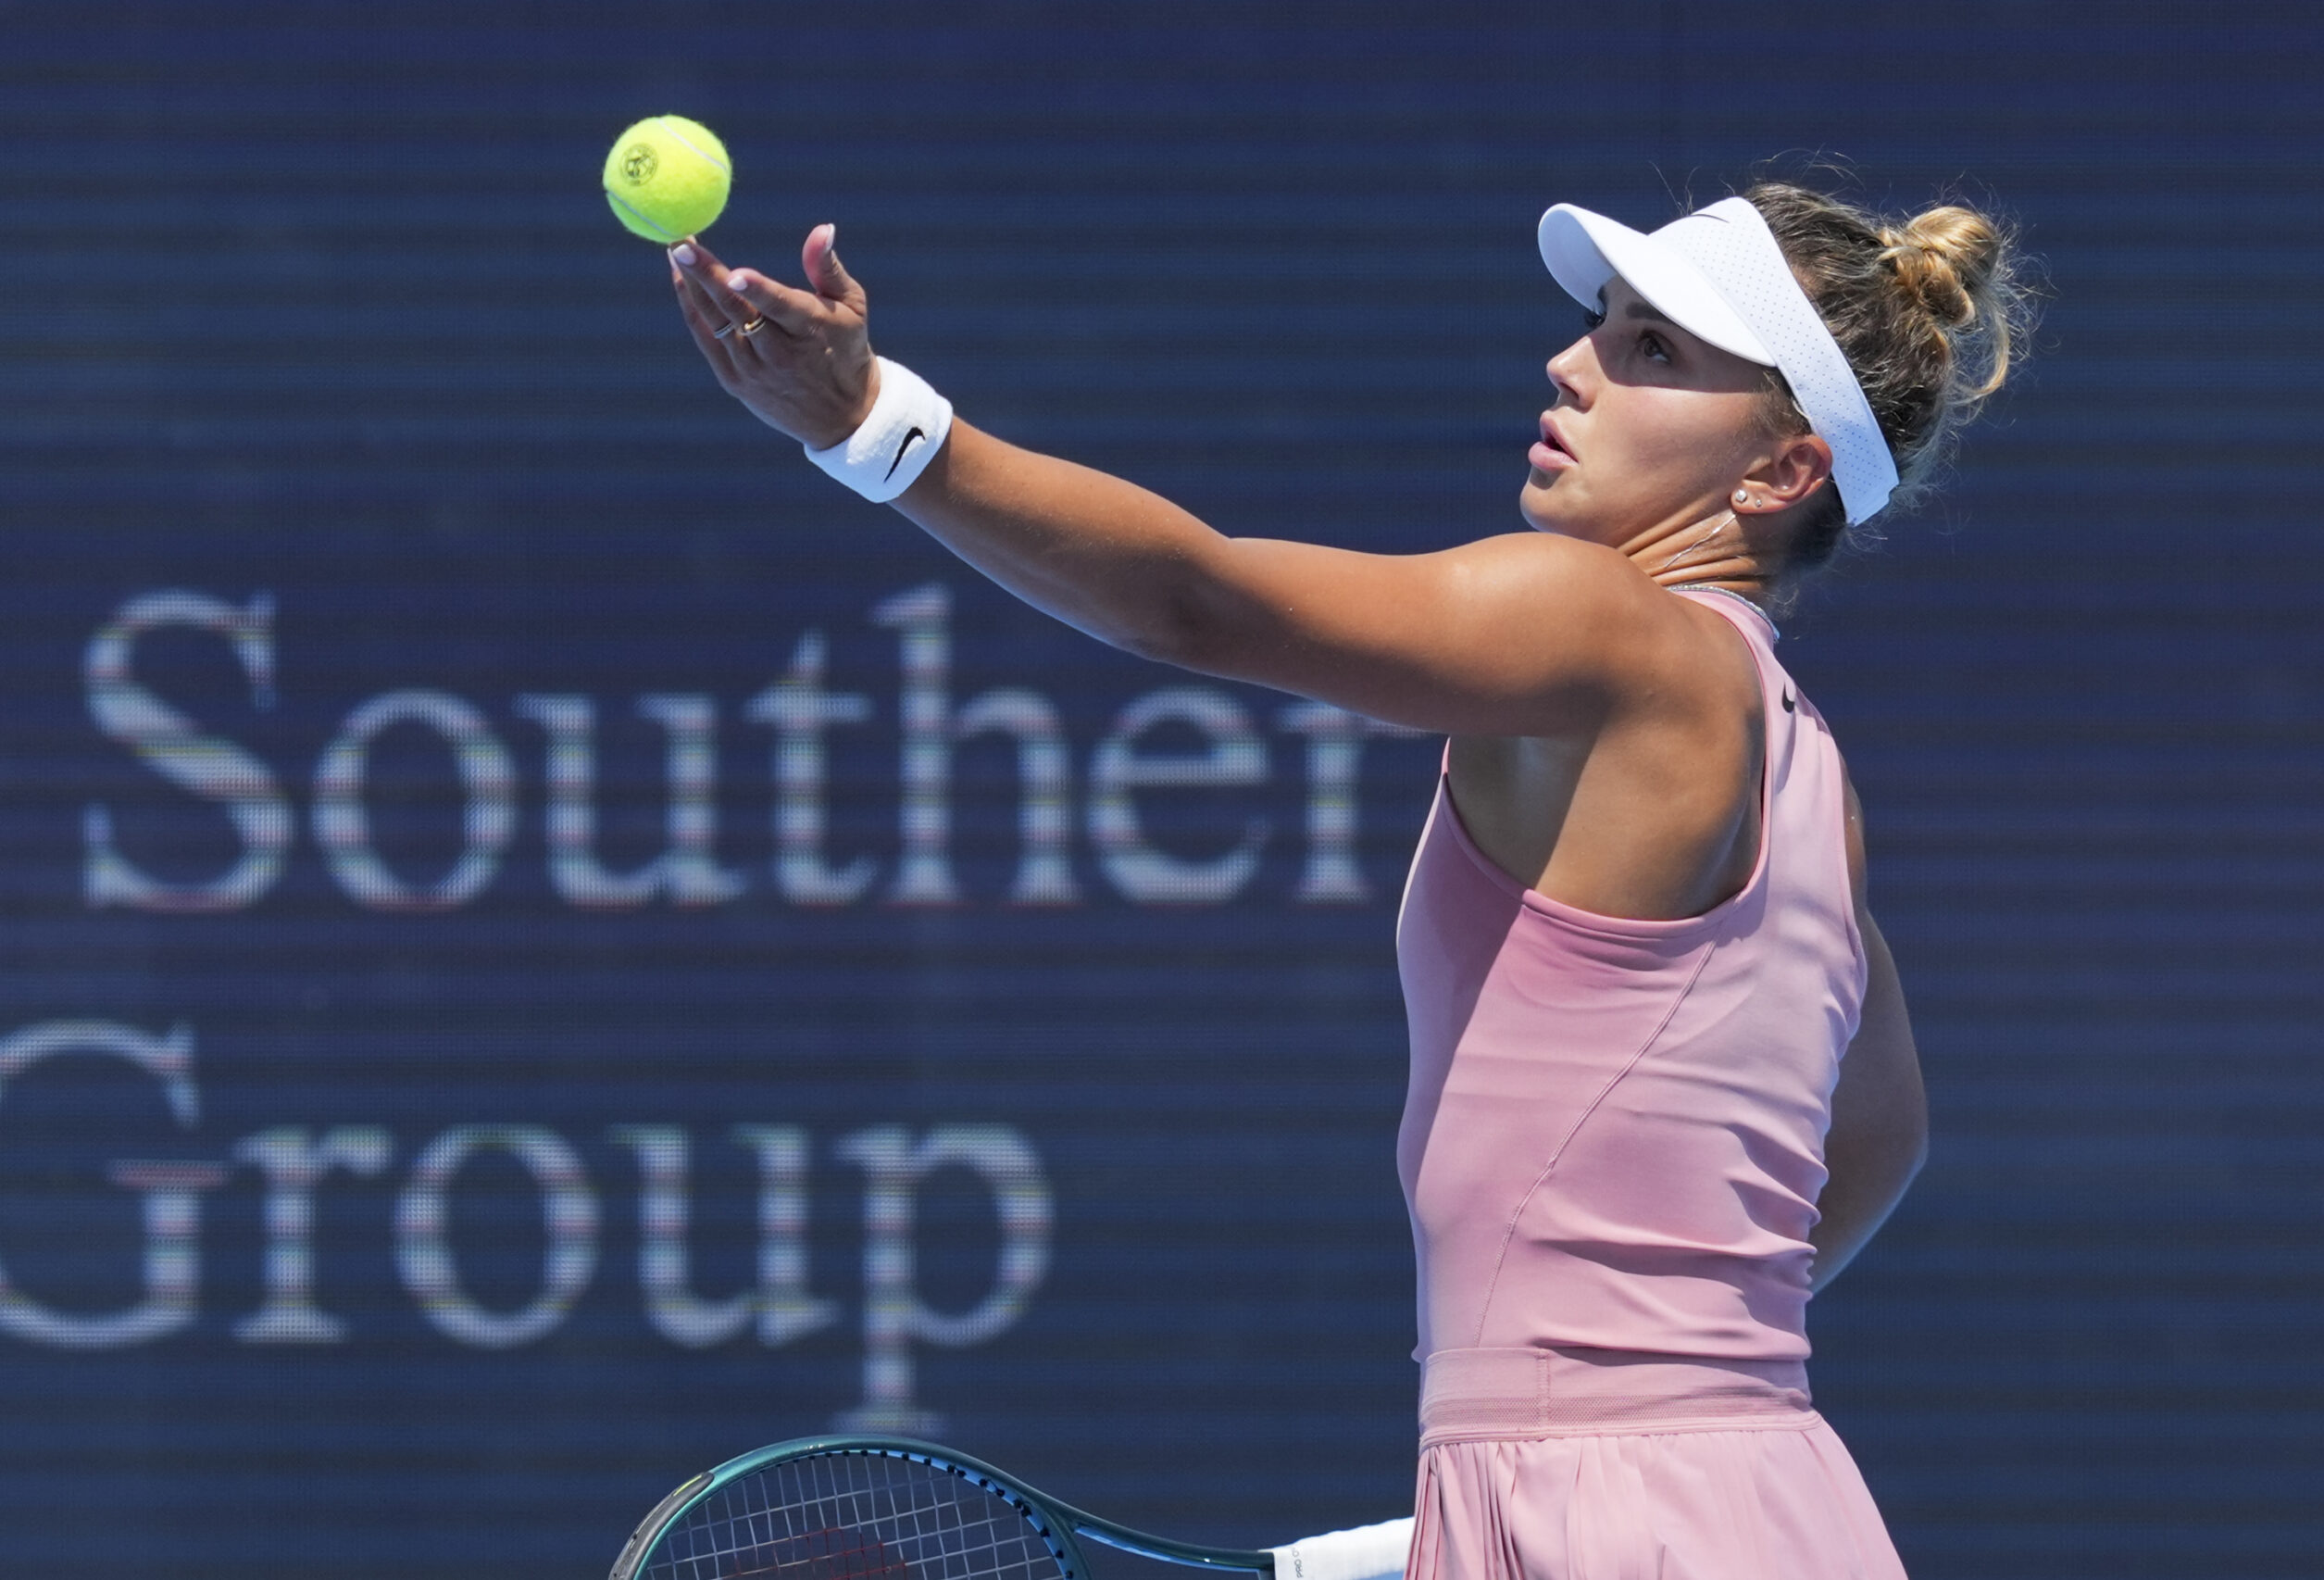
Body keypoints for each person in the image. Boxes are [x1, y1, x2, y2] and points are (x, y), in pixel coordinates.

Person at [665, 174, 2028, 1579]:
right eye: (1600, 324)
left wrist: (873, 427)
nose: (1573, 363)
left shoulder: (1609, 628)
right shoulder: (1814, 775)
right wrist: (1637, 1400)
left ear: (1778, 471)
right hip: (1772, 1504)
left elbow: (1201, 601)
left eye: (1653, 351)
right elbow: (1884, 1128)